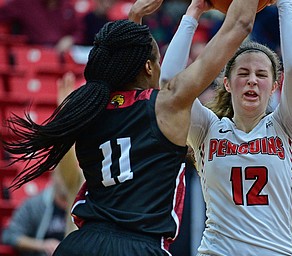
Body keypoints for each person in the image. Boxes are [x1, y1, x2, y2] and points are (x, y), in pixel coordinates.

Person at [1, 0, 260, 254]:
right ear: (148, 67)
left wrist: (135, 17)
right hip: (138, 245)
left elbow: (124, 70)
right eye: (157, 63)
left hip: (80, 244)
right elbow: (240, 24)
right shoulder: (166, 107)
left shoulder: (88, 109)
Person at [160, 0, 292, 255]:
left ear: (274, 87)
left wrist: (285, 3)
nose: (252, 80)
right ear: (227, 84)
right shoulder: (207, 129)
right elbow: (168, 81)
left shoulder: (288, 126)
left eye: (262, 75)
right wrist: (193, 12)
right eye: (243, 73)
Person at [1, 73, 83, 256]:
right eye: (60, 173)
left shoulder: (83, 193)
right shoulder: (37, 205)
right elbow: (9, 235)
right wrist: (42, 245)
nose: (63, 179)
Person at [0, 0, 83, 53]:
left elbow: (80, 31)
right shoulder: (24, 3)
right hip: (32, 52)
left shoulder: (67, 7)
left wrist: (71, 39)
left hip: (61, 54)